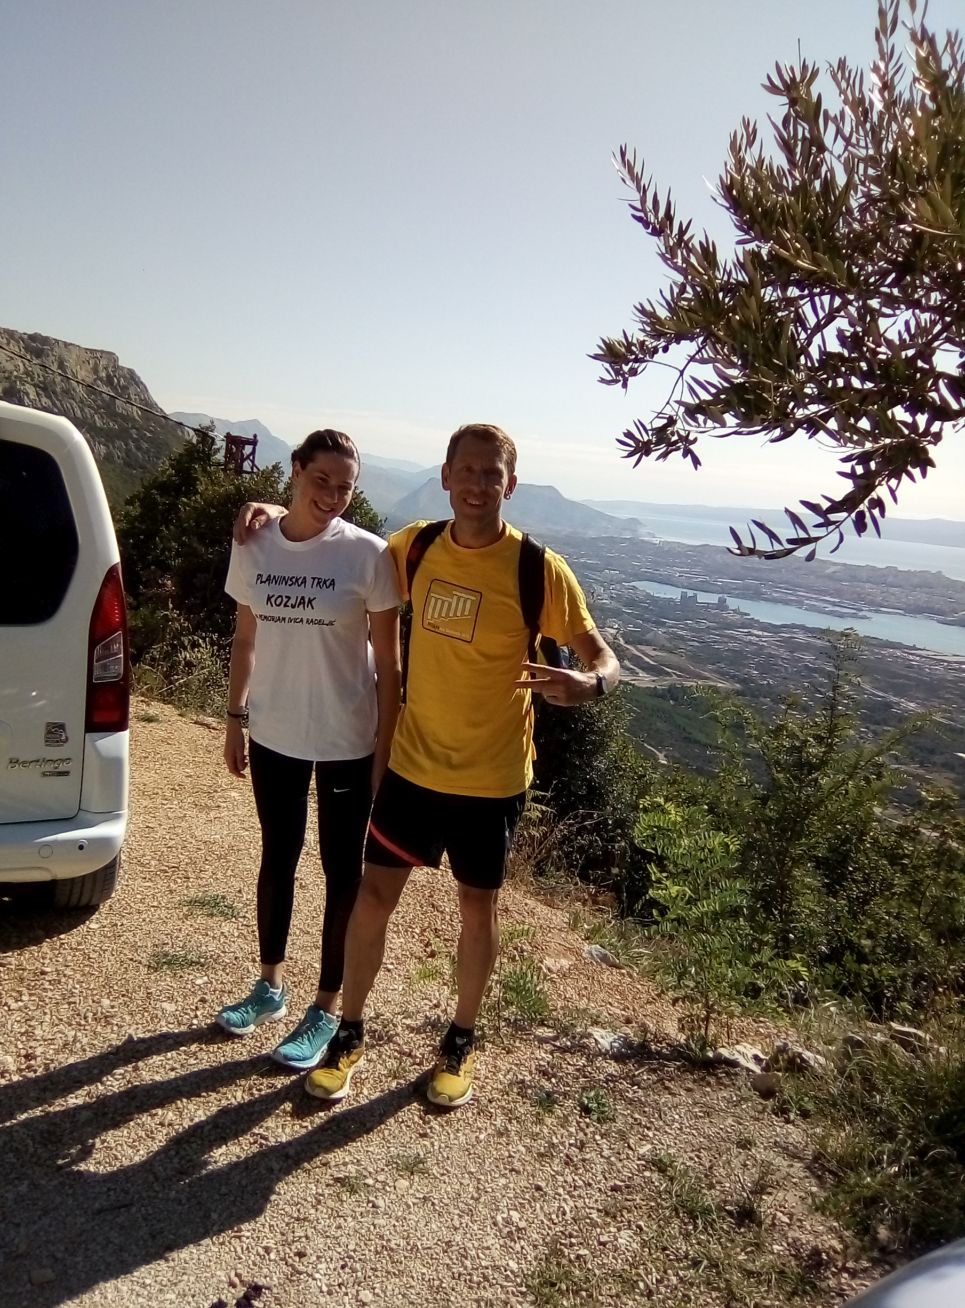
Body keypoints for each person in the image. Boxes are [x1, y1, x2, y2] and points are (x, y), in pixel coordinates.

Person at [236, 422, 619, 1106]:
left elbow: (599, 653)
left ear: (510, 485)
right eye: (466, 470)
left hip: (492, 776)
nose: (477, 484)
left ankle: (459, 1042)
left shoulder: (537, 568)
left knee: (477, 908)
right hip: (413, 768)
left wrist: (592, 684)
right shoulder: (414, 548)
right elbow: (329, 540)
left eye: (491, 474)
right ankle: (349, 1033)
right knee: (371, 899)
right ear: (445, 477)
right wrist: (266, 508)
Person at [216, 428, 401, 1075]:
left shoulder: (369, 555)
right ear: (295, 470)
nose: (332, 495)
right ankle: (269, 986)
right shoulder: (254, 542)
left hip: (348, 737)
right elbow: (245, 639)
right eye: (321, 480)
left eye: (344, 487)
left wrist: (384, 751)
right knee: (278, 857)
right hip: (275, 731)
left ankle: (326, 1006)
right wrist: (235, 719)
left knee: (341, 871)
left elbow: (391, 665)